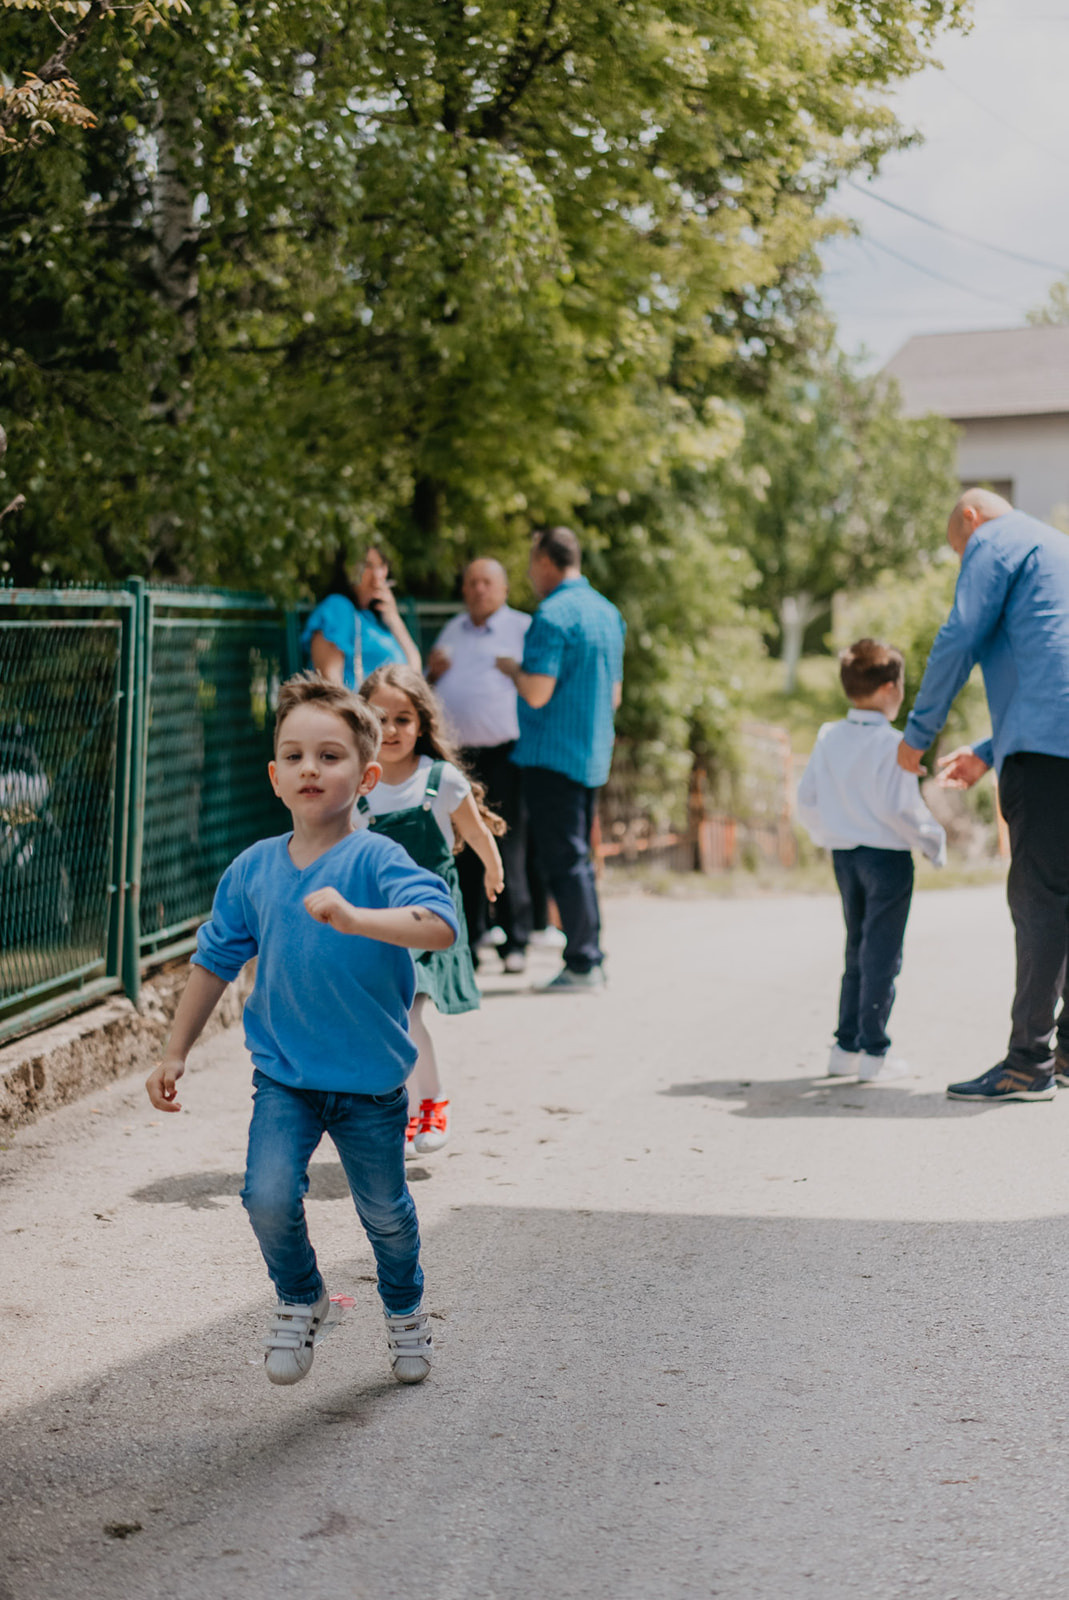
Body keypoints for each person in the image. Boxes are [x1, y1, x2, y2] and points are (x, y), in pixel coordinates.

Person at [144, 674, 459, 1387]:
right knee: (266, 1196)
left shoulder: (378, 861)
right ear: (275, 776)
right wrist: (174, 1050)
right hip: (284, 1077)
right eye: (294, 756)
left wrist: (355, 917)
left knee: (384, 1213)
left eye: (329, 755)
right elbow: (214, 960)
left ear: (367, 776)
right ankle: (301, 1297)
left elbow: (439, 925)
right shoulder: (252, 869)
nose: (310, 769)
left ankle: (405, 1313)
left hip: (372, 1083)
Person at [897, 488, 1069, 1103]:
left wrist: (917, 736)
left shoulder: (996, 540)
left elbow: (960, 633)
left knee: (1041, 897)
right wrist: (990, 750)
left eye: (958, 550)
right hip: (1052, 739)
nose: (965, 559)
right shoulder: (1058, 549)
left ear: (970, 519)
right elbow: (1056, 674)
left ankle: (1028, 1063)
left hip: (1046, 755)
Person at [356, 664, 505, 1155]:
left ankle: (431, 1102)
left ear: (422, 724)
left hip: (430, 914)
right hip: (376, 918)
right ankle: (401, 1104)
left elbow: (478, 832)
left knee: (407, 1008)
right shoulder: (357, 784)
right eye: (381, 718)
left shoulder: (441, 780)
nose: (393, 730)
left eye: (404, 718)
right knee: (386, 1016)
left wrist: (492, 870)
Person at [797, 639, 947, 1082]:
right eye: (901, 684)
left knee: (856, 946)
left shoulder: (828, 735)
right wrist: (934, 842)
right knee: (883, 953)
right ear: (887, 688)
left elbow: (807, 798)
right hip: (888, 859)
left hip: (844, 855)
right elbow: (903, 809)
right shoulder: (895, 743)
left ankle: (844, 1047)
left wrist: (828, 833)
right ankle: (874, 1052)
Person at [497, 526, 625, 993]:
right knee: (579, 858)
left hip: (551, 755)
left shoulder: (551, 616)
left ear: (548, 561)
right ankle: (591, 954)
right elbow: (614, 695)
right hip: (592, 753)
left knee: (563, 859)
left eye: (533, 562)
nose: (531, 573)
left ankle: (583, 961)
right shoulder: (607, 613)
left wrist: (512, 669)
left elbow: (536, 691)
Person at [426, 558, 533, 974]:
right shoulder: (453, 629)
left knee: (509, 842)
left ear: (503, 589)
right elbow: (426, 685)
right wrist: (431, 673)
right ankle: (474, 937)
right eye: (471, 582)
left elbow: (543, 682)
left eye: (487, 582)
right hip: (459, 756)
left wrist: (518, 671)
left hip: (507, 753)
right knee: (464, 844)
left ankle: (516, 939)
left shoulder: (522, 628)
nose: (478, 589)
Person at [302, 546, 422, 688]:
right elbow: (330, 684)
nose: (377, 575)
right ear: (347, 569)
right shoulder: (338, 607)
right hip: (358, 708)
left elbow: (416, 675)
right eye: (367, 566)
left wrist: (394, 619)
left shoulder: (379, 620)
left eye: (382, 565)